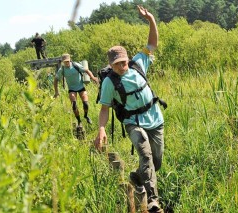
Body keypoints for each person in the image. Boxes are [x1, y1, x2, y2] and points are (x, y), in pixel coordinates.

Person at [94, 5, 165, 213]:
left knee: (156, 163)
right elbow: (105, 108)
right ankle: (153, 201)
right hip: (133, 123)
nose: (122, 66)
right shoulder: (109, 82)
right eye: (117, 64)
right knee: (145, 155)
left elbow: (152, 44)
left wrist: (151, 19)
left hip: (155, 119)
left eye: (123, 62)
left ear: (127, 59)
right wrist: (101, 129)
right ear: (111, 64)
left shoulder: (139, 63)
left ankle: (136, 177)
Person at [54, 53, 98, 126]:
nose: (67, 63)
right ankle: (79, 120)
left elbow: (86, 70)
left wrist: (93, 77)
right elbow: (55, 80)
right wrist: (56, 92)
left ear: (70, 60)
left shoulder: (75, 65)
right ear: (63, 62)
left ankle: (86, 116)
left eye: (68, 61)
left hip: (81, 87)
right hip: (72, 89)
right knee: (74, 105)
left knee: (86, 104)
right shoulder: (62, 69)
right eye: (65, 62)